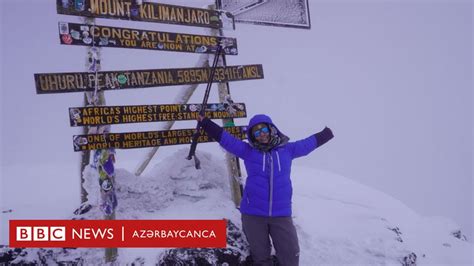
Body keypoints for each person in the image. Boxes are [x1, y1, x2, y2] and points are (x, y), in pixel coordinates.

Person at [197, 114, 334, 266]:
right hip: (253, 214)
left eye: (263, 129)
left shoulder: (288, 150)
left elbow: (307, 144)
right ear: (252, 136)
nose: (261, 134)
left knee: (290, 255)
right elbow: (226, 139)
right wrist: (206, 123)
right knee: (261, 258)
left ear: (271, 129)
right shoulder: (248, 152)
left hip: (281, 214)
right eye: (256, 132)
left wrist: (327, 133)